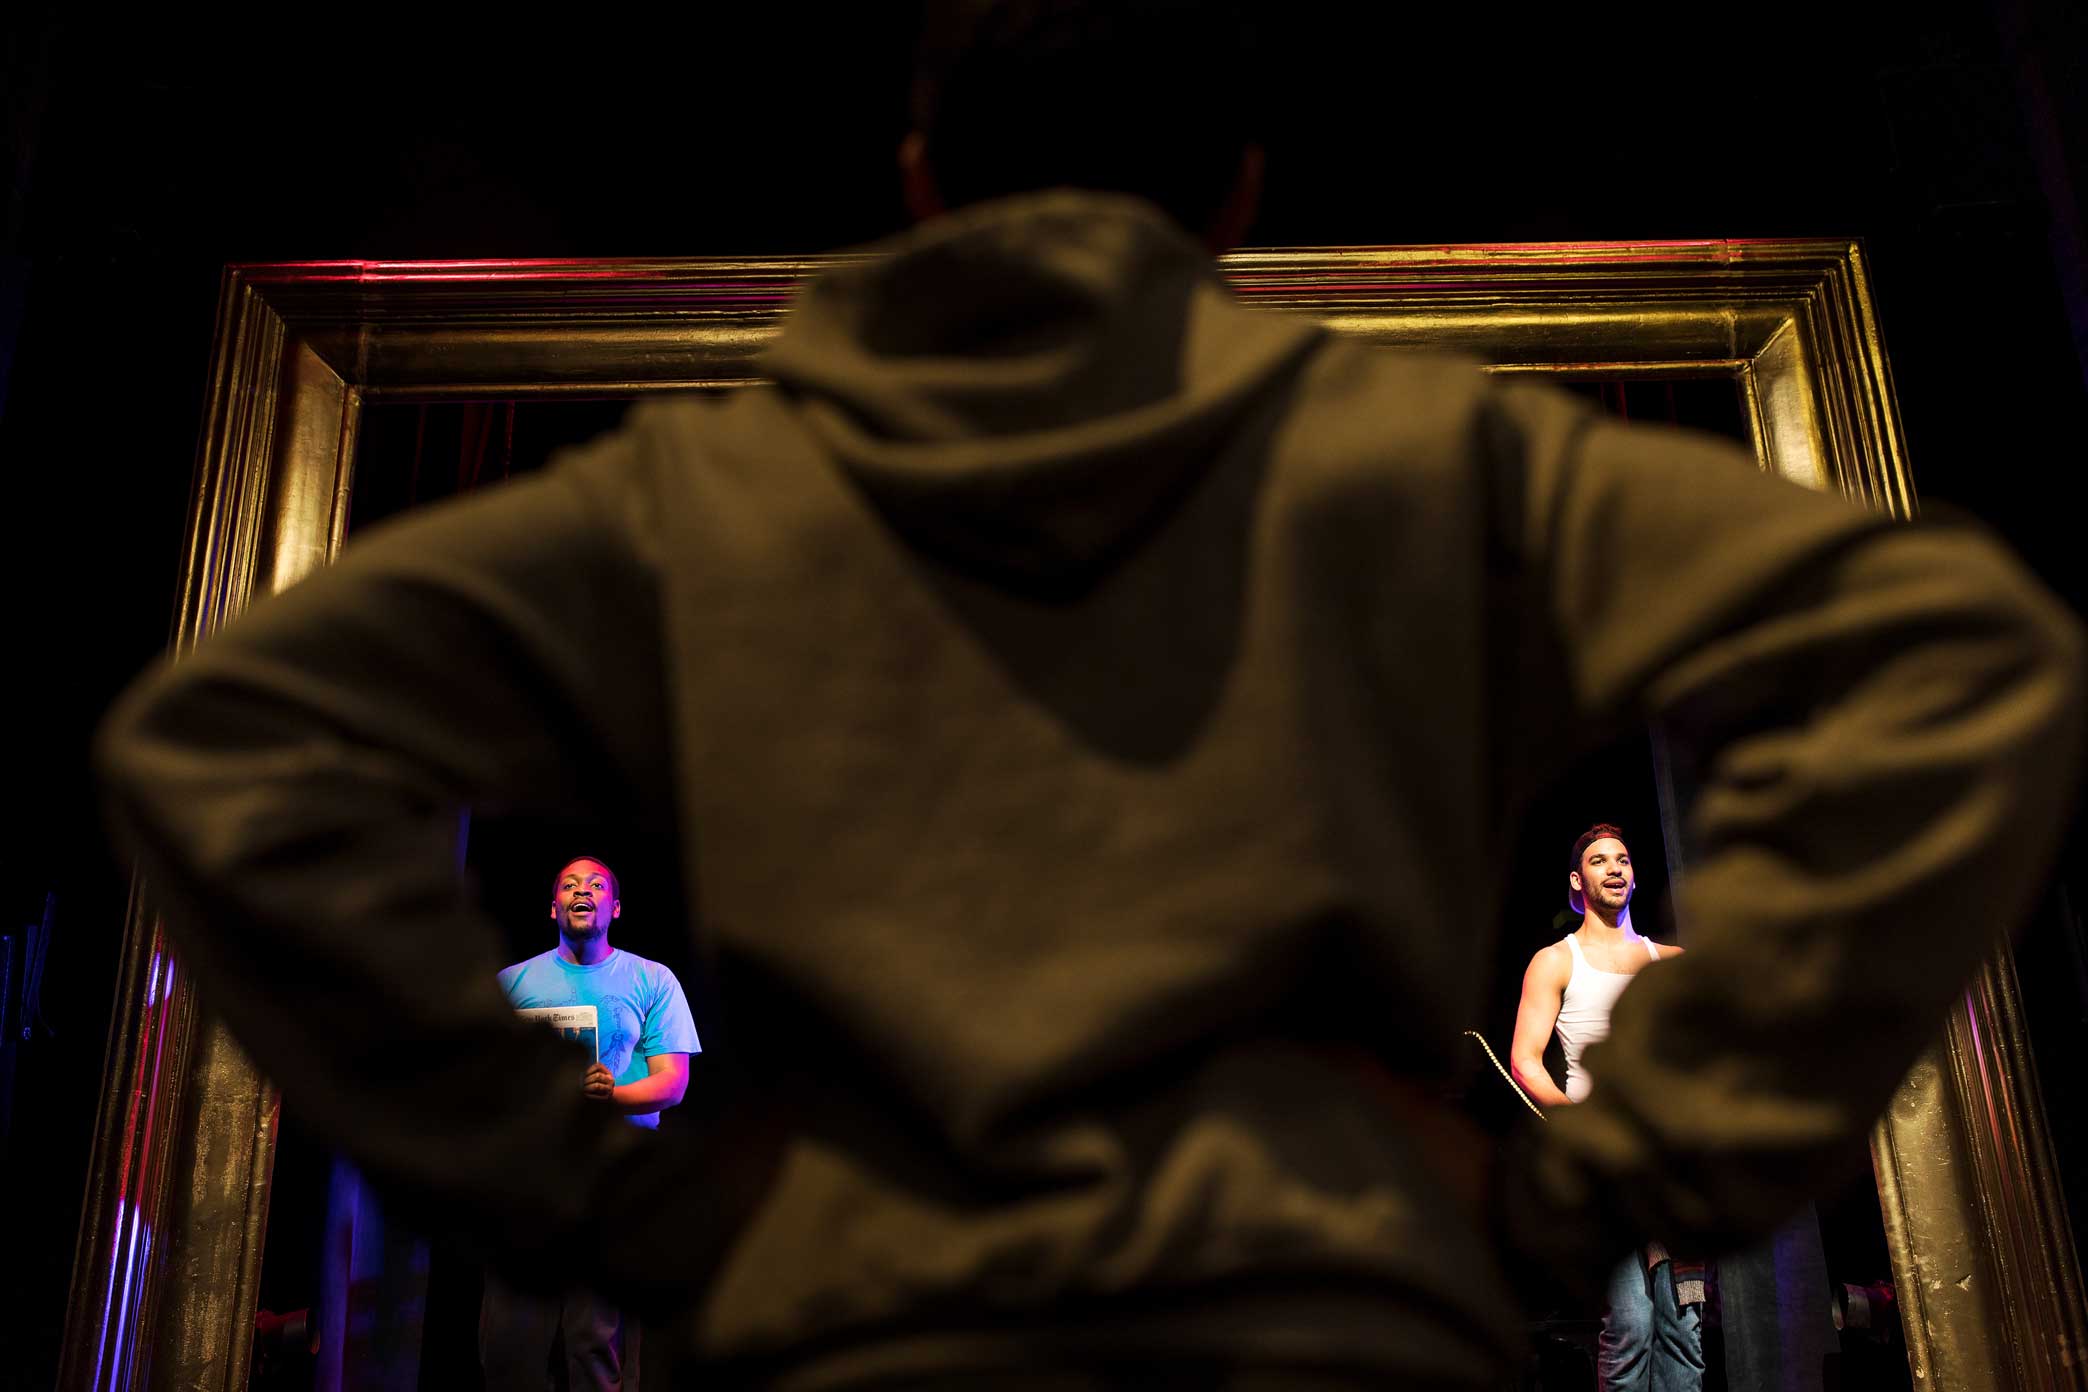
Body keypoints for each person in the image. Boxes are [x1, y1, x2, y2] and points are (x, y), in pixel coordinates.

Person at [94, 2, 2083, 1387]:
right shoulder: (1414, 472)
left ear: (917, 176)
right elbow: (1957, 660)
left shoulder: (727, 504)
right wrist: (1657, 1166)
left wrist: (590, 1201)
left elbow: (223, 744)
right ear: (1235, 189)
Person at [480, 856, 700, 1391]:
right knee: (510, 1349)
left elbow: (672, 1082)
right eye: (570, 885)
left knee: (596, 1347)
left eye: (597, 884)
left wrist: (612, 1095)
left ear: (615, 907)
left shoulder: (653, 979)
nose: (584, 891)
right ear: (552, 905)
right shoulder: (511, 983)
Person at [1512, 825, 1701, 1391]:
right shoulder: (1555, 961)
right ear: (1578, 880)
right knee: (1630, 1328)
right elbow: (1526, 1061)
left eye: (1623, 859)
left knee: (1684, 1334)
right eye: (1599, 861)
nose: (1615, 868)